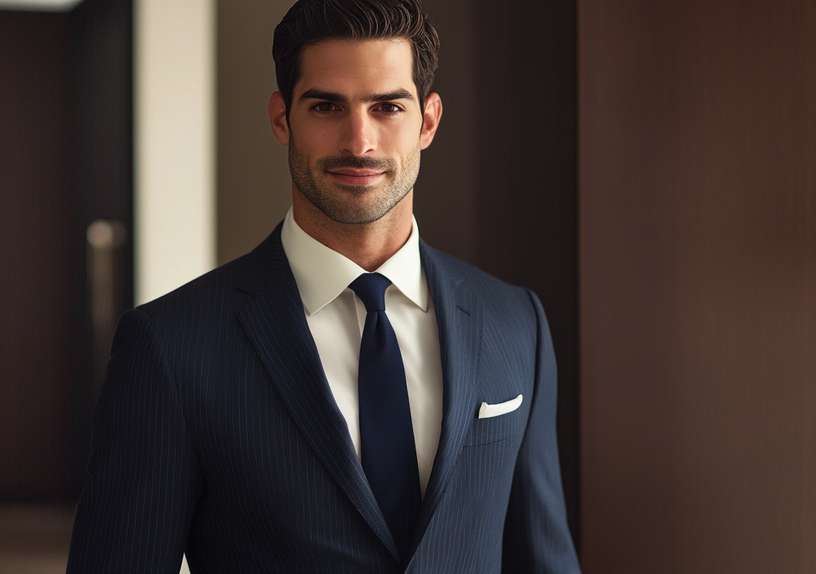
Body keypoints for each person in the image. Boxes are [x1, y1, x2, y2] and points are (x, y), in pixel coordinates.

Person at [66, 0, 580, 572]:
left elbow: (544, 559)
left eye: (387, 106)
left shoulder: (516, 322)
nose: (358, 141)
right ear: (282, 118)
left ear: (428, 121)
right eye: (327, 106)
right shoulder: (170, 345)